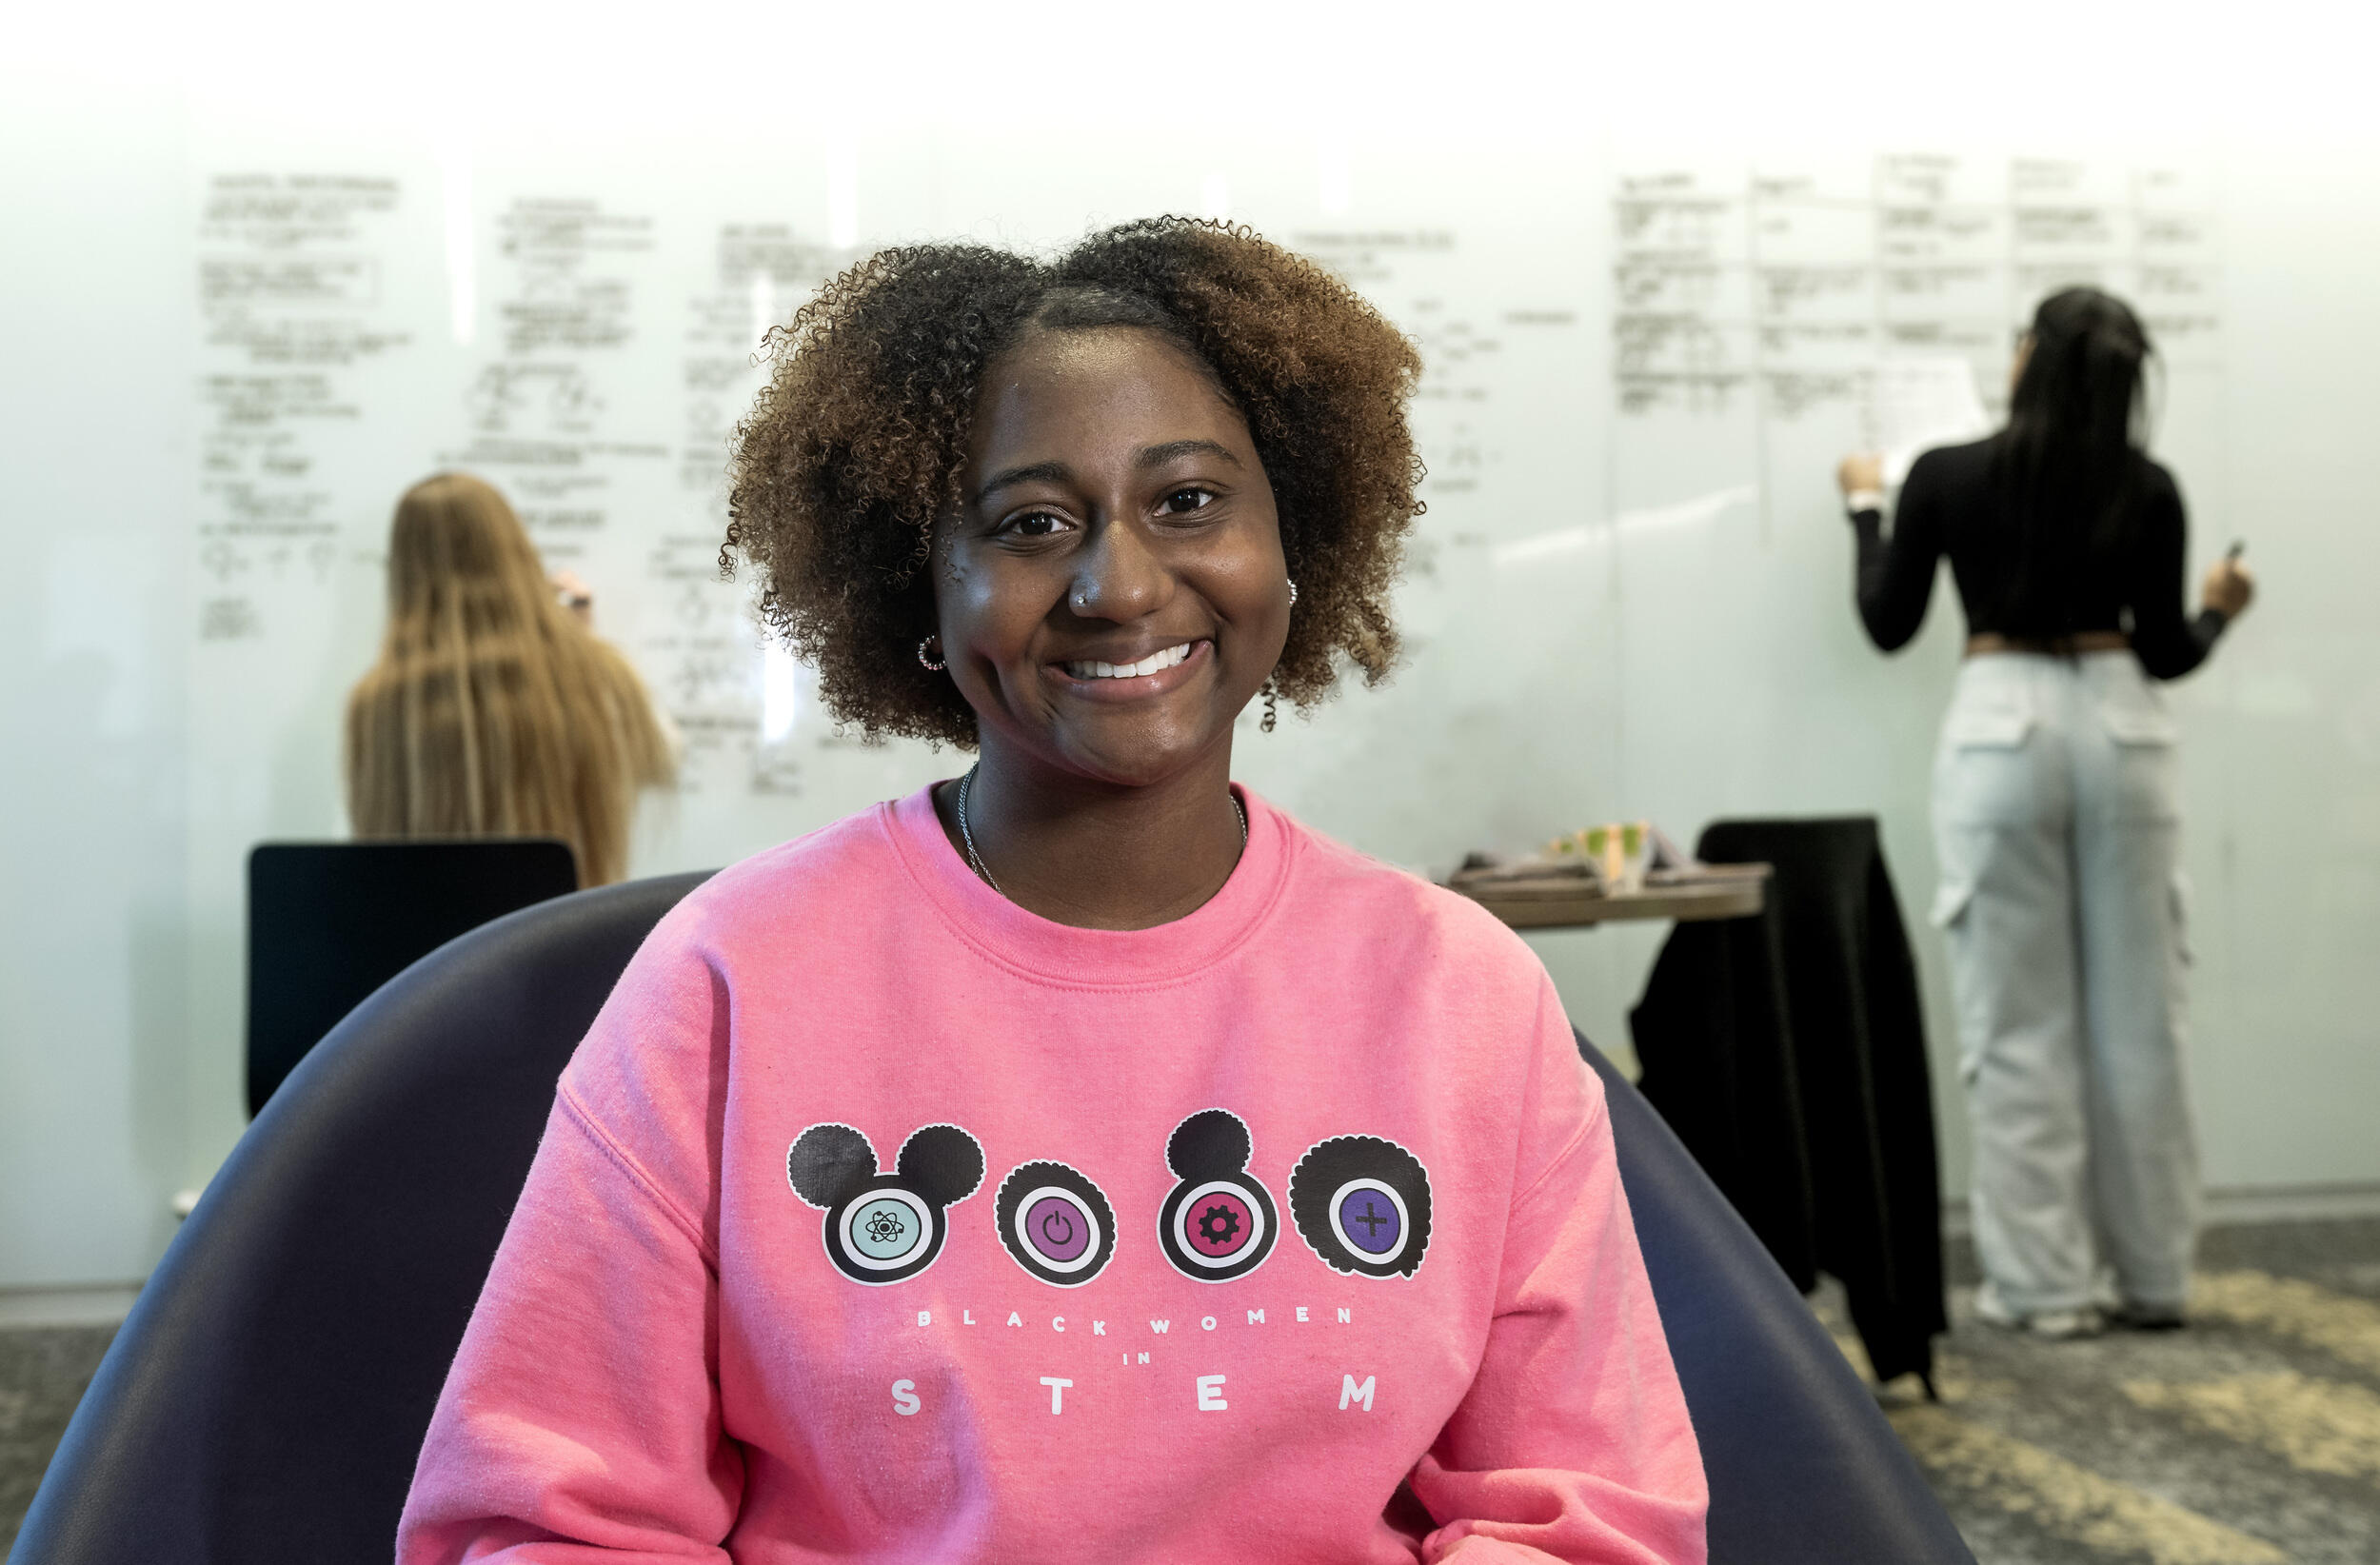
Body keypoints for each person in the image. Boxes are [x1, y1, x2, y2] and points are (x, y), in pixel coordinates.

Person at [394, 219, 1707, 1564]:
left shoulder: (1463, 995)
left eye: (1187, 500)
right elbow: (549, 1526)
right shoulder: (729, 983)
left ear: (1293, 538)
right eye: (1031, 523)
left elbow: (1590, 1514)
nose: (1119, 583)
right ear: (925, 584)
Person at [1836, 287, 2255, 1340]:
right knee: (2142, 1014)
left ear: (2025, 361)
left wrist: (1861, 510)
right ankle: (2155, 1275)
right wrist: (2219, 606)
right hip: (2124, 727)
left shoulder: (1945, 473)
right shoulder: (2147, 486)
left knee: (2016, 1020)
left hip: (2000, 723)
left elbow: (1888, 622)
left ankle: (2044, 1287)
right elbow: (2167, 648)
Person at [345, 472, 676, 887]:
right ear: (515, 554)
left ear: (405, 571)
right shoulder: (599, 678)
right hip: (559, 941)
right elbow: (660, 764)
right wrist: (581, 642)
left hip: (432, 948)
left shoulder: (377, 702)